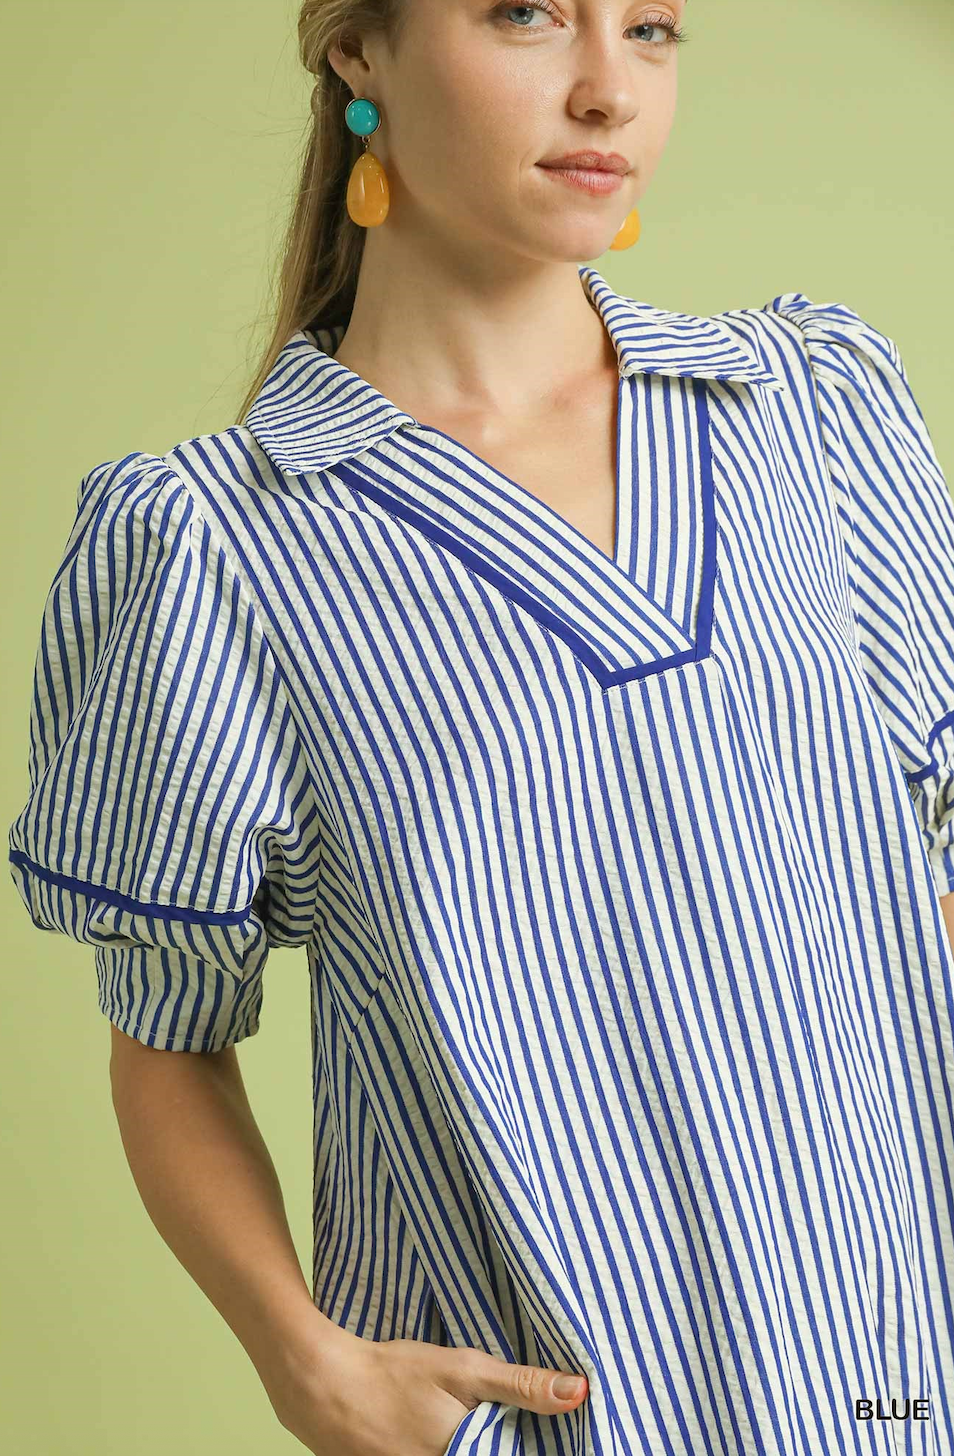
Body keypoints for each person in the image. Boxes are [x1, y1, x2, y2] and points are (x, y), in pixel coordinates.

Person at [8, 0, 954, 1452]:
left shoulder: (809, 415)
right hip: (563, 1413)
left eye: (647, 30)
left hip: (899, 1376)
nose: (605, 90)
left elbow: (927, 893)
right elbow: (167, 1038)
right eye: (525, 16)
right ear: (357, 52)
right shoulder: (210, 546)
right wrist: (304, 1362)